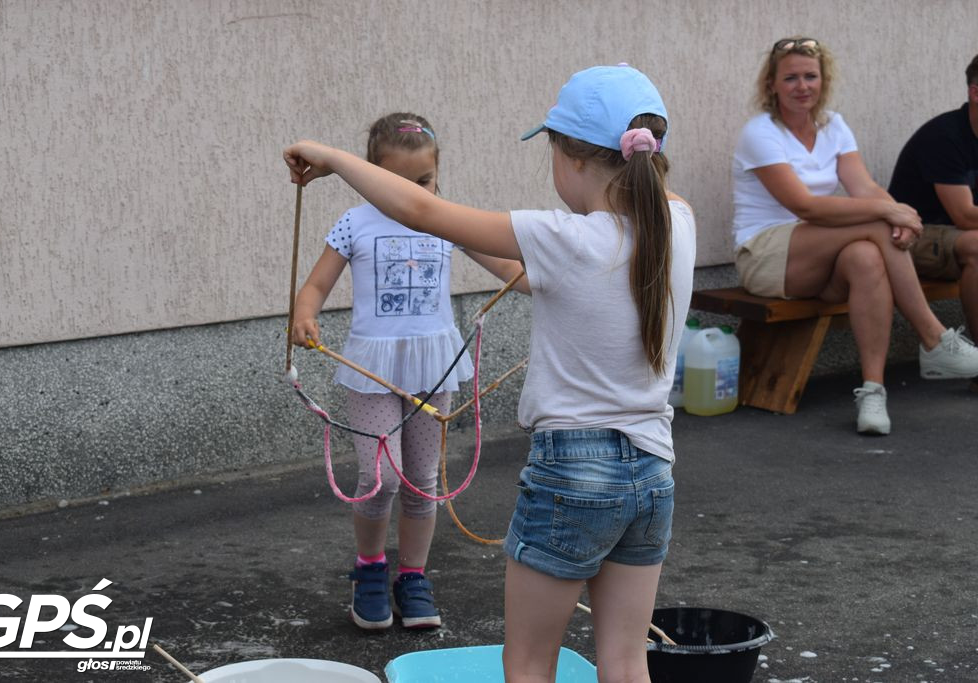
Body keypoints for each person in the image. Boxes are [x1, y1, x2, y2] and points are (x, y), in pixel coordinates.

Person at [284, 65, 696, 683]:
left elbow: (421, 210)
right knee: (625, 659)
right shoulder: (676, 222)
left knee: (528, 664)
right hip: (652, 471)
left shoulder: (562, 235)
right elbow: (532, 272)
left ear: (570, 156)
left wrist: (336, 158)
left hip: (574, 472)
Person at [291, 112, 525, 631]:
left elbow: (511, 268)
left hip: (432, 369)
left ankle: (413, 576)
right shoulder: (355, 223)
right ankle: (371, 569)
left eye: (423, 182)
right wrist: (303, 315)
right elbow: (313, 288)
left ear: (437, 177)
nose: (413, 192)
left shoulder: (444, 218)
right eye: (397, 182)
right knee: (379, 479)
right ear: (371, 174)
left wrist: (557, 277)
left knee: (421, 480)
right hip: (371, 367)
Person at [731, 37, 978, 436]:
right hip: (766, 255)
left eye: (810, 76)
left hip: (820, 255)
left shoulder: (834, 126)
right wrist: (888, 212)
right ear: (771, 84)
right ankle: (934, 339)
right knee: (876, 226)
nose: (802, 86)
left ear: (823, 80)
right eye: (790, 77)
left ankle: (873, 391)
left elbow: (864, 188)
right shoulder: (760, 132)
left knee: (866, 256)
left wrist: (897, 215)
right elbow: (805, 207)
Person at [888, 53, 978, 393]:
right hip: (913, 237)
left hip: (955, 238)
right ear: (975, 93)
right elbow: (965, 216)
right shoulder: (946, 136)